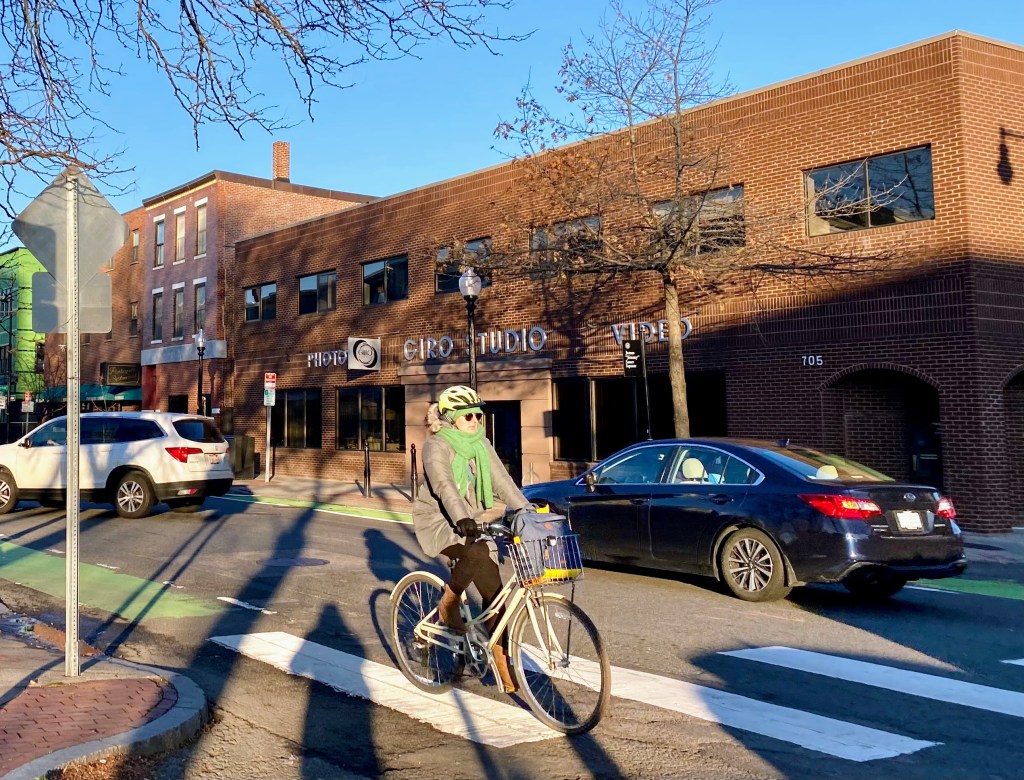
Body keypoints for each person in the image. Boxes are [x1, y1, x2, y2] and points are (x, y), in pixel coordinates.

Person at [412, 384, 529, 693]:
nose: (475, 420)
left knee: (495, 595)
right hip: (440, 520)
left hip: (472, 521)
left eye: (478, 415)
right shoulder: (436, 446)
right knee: (475, 553)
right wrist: (462, 518)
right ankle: (448, 606)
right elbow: (444, 486)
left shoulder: (481, 443)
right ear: (451, 418)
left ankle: (502, 660)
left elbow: (502, 481)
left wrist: (525, 509)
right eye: (468, 416)